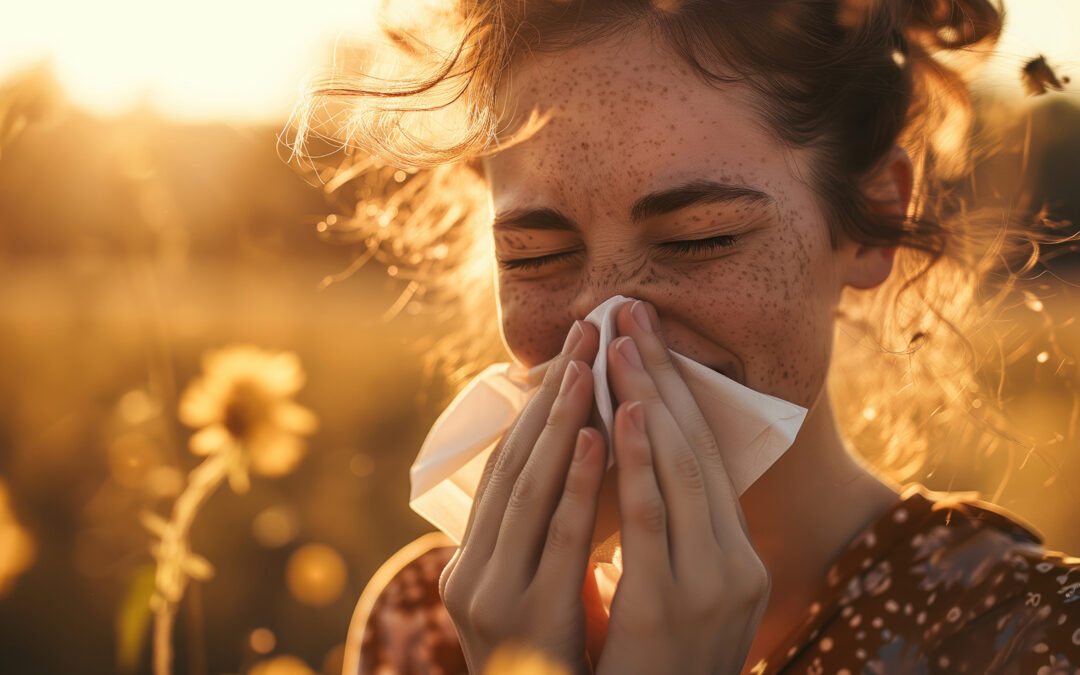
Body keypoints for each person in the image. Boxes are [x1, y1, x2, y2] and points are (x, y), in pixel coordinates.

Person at [291, 0, 1080, 672]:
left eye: (698, 239)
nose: (608, 326)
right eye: (536, 256)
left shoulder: (1031, 638)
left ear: (875, 218)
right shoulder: (440, 623)